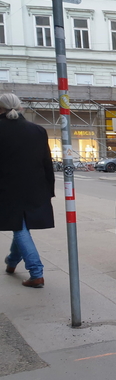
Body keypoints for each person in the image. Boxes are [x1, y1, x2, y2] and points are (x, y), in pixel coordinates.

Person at [0, 93, 55, 288]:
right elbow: (47, 163)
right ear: (20, 107)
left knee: (19, 227)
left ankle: (36, 272)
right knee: (21, 226)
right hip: (35, 188)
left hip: (8, 189)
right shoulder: (38, 130)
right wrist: (50, 188)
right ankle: (12, 261)